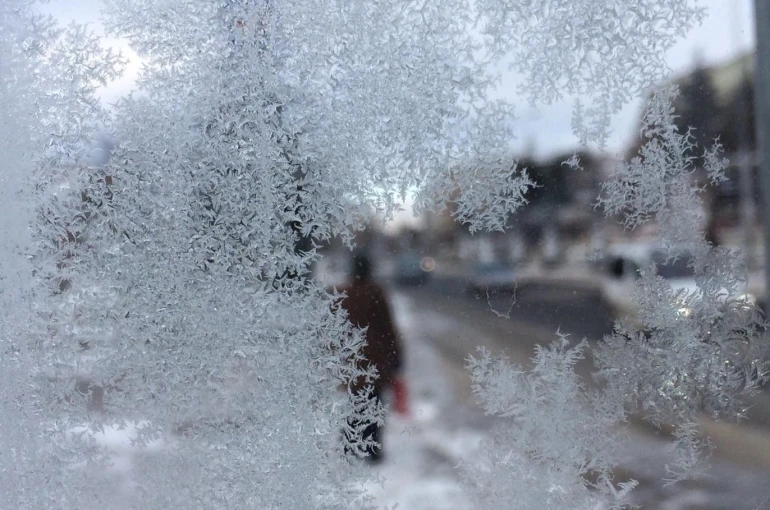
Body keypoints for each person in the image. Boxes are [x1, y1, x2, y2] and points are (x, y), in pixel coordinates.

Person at [338, 251, 403, 463]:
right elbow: (387, 328)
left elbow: (334, 329)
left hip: (353, 360)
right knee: (374, 405)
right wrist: (396, 357)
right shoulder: (376, 293)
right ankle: (372, 449)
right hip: (375, 361)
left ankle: (350, 447)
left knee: (355, 404)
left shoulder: (343, 293)